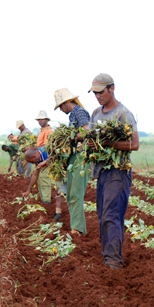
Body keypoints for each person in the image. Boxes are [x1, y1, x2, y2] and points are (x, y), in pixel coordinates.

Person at [88, 73, 139, 269]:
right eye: (95, 93)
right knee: (103, 216)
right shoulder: (95, 114)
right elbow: (92, 139)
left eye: (101, 92)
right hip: (102, 172)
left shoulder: (123, 114)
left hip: (118, 171)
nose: (98, 96)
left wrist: (109, 142)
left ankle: (113, 261)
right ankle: (108, 256)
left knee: (111, 215)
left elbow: (134, 144)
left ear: (112, 88)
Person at [54, 88, 90, 235]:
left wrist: (71, 137)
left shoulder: (80, 112)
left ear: (67, 102)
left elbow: (86, 131)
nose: (61, 109)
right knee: (69, 194)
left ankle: (78, 229)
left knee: (75, 194)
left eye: (61, 106)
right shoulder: (72, 115)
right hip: (73, 157)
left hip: (80, 157)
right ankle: (75, 227)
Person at [24, 110, 53, 204]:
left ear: (47, 120)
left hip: (46, 157)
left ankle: (46, 201)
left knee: (44, 179)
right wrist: (29, 190)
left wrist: (32, 148)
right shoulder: (41, 131)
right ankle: (44, 198)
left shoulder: (49, 131)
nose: (40, 121)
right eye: (39, 120)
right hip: (39, 157)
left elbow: (46, 145)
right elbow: (35, 175)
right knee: (39, 179)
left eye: (42, 119)